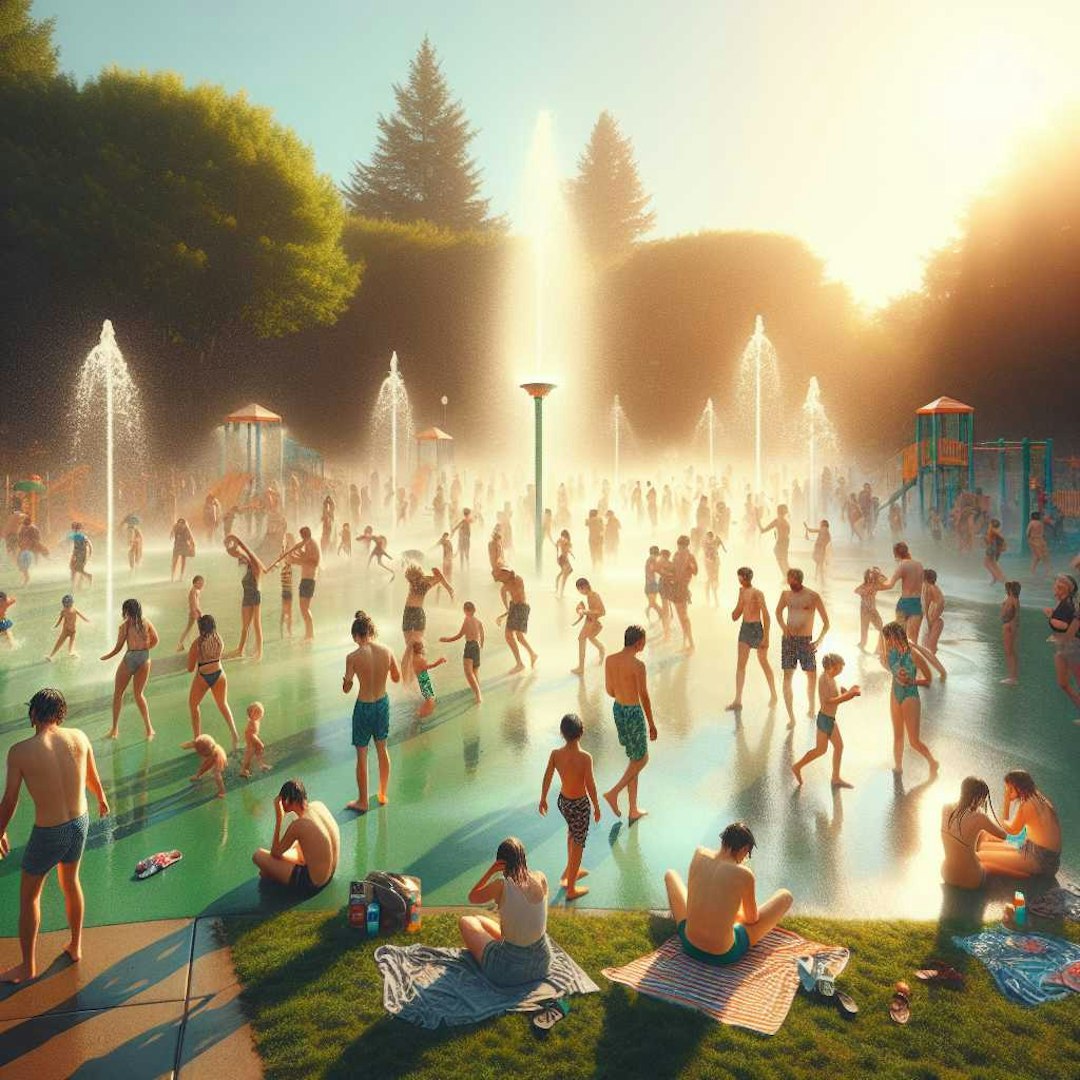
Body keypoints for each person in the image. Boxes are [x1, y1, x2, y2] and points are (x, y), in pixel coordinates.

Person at [0, 689, 109, 983]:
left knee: (29, 897)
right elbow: (91, 776)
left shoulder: (20, 751)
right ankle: (75, 946)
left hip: (49, 831)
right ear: (61, 713)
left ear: (33, 713)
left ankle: (27, 966)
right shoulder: (79, 737)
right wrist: (101, 798)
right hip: (79, 822)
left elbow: (10, 800)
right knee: (71, 881)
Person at [664, 823, 793, 967]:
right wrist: (735, 915)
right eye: (747, 854)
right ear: (744, 849)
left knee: (671, 875)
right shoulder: (744, 874)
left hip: (689, 944)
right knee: (785, 896)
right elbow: (751, 919)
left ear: (723, 841)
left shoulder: (699, 853)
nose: (745, 858)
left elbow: (695, 896)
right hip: (724, 954)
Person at [459, 838, 553, 986]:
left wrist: (490, 872)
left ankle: (501, 949)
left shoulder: (501, 885)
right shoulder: (541, 878)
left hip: (509, 970)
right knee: (480, 919)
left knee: (466, 921)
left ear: (500, 863)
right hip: (542, 963)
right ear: (523, 858)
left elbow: (472, 897)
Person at [539, 713, 601, 900]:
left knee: (571, 834)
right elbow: (590, 784)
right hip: (580, 804)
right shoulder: (585, 758)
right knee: (579, 843)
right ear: (582, 732)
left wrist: (543, 798)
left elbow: (547, 776)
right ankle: (571, 888)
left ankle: (570, 871)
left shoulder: (556, 754)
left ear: (562, 733)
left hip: (564, 802)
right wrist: (597, 806)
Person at [343, 612, 400, 812]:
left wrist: (346, 679)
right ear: (372, 632)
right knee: (382, 749)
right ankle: (383, 793)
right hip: (382, 703)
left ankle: (363, 801)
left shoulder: (353, 657)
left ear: (356, 635)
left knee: (362, 755)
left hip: (364, 706)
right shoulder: (387, 650)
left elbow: (347, 688)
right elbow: (396, 677)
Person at [603, 625, 656, 822]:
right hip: (633, 712)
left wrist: (622, 691)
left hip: (618, 709)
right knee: (642, 759)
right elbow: (644, 696)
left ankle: (633, 809)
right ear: (638, 642)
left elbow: (609, 690)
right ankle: (614, 793)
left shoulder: (610, 660)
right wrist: (651, 723)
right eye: (644, 640)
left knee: (634, 759)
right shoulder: (638, 666)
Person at [252, 779, 340, 894]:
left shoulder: (299, 825)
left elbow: (275, 853)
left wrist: (279, 818)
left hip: (313, 883)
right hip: (329, 874)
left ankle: (274, 873)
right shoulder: (319, 805)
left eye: (282, 800)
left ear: (287, 800)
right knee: (295, 846)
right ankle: (274, 871)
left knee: (258, 856)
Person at [977, 770, 1061, 880]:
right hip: (1037, 851)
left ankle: (1023, 876)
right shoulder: (1038, 798)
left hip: (1041, 861)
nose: (1007, 791)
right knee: (983, 846)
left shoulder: (1028, 806)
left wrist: (1006, 802)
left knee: (980, 856)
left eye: (1010, 789)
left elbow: (1007, 829)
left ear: (1019, 788)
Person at [879, 621, 938, 777]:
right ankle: (898, 767)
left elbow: (929, 679)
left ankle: (932, 762)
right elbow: (887, 663)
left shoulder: (913, 655)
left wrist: (911, 681)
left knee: (913, 741)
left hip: (910, 695)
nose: (888, 642)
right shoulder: (891, 652)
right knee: (898, 735)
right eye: (887, 639)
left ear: (898, 636)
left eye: (890, 638)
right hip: (895, 693)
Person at [791, 653, 859, 788]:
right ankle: (797, 766)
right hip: (824, 719)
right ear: (833, 666)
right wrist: (848, 696)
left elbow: (835, 694)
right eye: (840, 668)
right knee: (820, 750)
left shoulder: (832, 678)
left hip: (830, 719)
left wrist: (846, 692)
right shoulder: (823, 679)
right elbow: (828, 701)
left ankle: (835, 778)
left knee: (839, 747)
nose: (841, 671)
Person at [775, 568, 830, 727]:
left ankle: (812, 706)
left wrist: (818, 642)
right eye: (789, 580)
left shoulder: (813, 596)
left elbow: (826, 623)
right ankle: (791, 717)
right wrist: (783, 627)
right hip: (789, 640)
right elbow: (778, 612)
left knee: (811, 676)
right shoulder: (786, 595)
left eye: (793, 581)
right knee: (787, 678)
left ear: (800, 580)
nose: (790, 583)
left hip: (806, 641)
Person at [100, 599, 158, 740]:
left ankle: (114, 730)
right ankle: (149, 729)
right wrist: (144, 650)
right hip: (144, 658)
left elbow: (118, 647)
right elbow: (156, 640)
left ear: (126, 610)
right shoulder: (146, 622)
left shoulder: (124, 626)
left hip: (130, 658)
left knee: (118, 694)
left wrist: (107, 656)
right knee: (139, 695)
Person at [725, 567, 777, 710]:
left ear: (744, 577)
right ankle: (738, 700)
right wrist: (740, 602)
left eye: (740, 577)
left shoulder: (757, 593)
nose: (739, 579)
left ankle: (774, 694)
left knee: (763, 662)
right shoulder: (741, 592)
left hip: (756, 628)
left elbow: (766, 615)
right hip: (745, 628)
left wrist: (766, 637)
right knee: (740, 665)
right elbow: (735, 616)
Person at [941, 777, 1006, 889]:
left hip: (947, 875)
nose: (983, 802)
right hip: (971, 880)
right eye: (983, 799)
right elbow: (1003, 836)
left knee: (977, 838)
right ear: (977, 797)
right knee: (998, 868)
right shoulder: (980, 818)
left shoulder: (945, 808)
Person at [186, 614, 240, 748]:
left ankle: (198, 739)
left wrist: (191, 655)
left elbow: (190, 668)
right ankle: (234, 734)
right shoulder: (218, 639)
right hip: (219, 674)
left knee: (193, 705)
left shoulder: (197, 643)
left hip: (203, 676)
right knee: (223, 704)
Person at [401, 563, 452, 681]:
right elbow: (438, 576)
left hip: (409, 613)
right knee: (416, 650)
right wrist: (449, 588)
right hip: (415, 613)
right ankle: (418, 685)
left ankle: (408, 683)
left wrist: (449, 588)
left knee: (410, 649)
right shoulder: (425, 583)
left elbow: (437, 576)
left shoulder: (415, 584)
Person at [1044, 574, 1080, 714]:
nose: (1055, 588)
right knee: (1063, 684)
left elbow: (1065, 626)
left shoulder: (1069, 603)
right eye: (1056, 585)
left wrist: (1050, 617)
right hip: (1064, 647)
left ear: (1065, 589)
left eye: (1058, 586)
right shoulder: (1066, 602)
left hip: (1072, 647)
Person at [493, 566, 538, 673]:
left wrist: (506, 576)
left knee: (512, 636)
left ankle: (520, 663)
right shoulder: (504, 589)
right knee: (518, 636)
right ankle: (531, 655)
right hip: (517, 608)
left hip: (522, 607)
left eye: (501, 576)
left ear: (506, 573)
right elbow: (509, 607)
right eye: (499, 578)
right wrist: (502, 616)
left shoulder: (517, 579)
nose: (500, 578)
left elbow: (519, 597)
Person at [440, 601, 485, 705]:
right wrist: (481, 645)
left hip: (469, 646)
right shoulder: (479, 621)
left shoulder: (467, 620)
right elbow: (482, 634)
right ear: (474, 610)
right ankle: (477, 691)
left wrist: (446, 639)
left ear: (465, 611)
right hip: (477, 647)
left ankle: (478, 695)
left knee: (468, 672)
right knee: (475, 671)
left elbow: (459, 635)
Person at [883, 541, 925, 643]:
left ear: (896, 554)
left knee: (900, 638)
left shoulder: (902, 565)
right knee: (913, 641)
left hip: (905, 603)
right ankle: (912, 658)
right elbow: (924, 586)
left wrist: (875, 586)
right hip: (918, 604)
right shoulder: (919, 565)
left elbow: (890, 585)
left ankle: (898, 658)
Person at [287, 526, 320, 641]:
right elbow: (305, 560)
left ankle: (310, 635)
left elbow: (314, 561)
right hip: (306, 579)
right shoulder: (308, 544)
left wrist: (296, 559)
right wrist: (293, 557)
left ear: (304, 535)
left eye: (302, 536)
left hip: (309, 580)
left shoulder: (312, 544)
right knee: (303, 608)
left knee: (305, 608)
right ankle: (308, 633)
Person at [571, 577, 606, 675]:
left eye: (580, 589)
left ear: (585, 586)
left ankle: (581, 668)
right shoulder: (589, 596)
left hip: (592, 621)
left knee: (581, 639)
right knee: (589, 637)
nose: (580, 591)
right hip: (590, 620)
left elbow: (602, 612)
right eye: (579, 589)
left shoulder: (594, 596)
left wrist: (585, 611)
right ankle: (601, 649)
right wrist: (581, 609)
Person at [671, 535, 699, 651]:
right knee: (681, 617)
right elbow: (672, 570)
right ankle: (686, 642)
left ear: (686, 546)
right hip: (675, 588)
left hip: (682, 589)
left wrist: (690, 566)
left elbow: (696, 571)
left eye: (682, 546)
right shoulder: (676, 555)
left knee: (684, 616)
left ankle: (691, 643)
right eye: (679, 546)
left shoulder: (690, 556)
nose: (680, 548)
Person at [181, 734, 228, 798]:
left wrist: (222, 791)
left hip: (218, 756)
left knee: (216, 773)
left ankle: (222, 790)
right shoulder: (200, 743)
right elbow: (195, 743)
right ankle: (198, 775)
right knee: (205, 765)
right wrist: (186, 746)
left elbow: (217, 776)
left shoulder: (219, 757)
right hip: (212, 752)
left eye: (205, 754)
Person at [410, 639, 446, 719]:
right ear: (420, 648)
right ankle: (419, 715)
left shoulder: (414, 657)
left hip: (421, 679)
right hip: (423, 680)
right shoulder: (421, 659)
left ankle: (422, 712)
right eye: (422, 647)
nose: (424, 648)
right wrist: (439, 662)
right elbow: (429, 666)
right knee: (429, 700)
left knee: (430, 697)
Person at [46, 594, 89, 661]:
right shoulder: (63, 612)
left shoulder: (74, 610)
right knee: (59, 643)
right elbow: (59, 620)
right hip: (65, 631)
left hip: (73, 632)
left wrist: (87, 620)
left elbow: (82, 616)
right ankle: (51, 656)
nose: (66, 607)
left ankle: (72, 653)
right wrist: (55, 626)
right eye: (65, 605)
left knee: (70, 646)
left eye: (68, 605)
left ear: (71, 604)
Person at [855, 567, 886, 652]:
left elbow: (884, 579)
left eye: (872, 576)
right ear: (866, 577)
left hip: (872, 610)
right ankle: (862, 649)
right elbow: (856, 591)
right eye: (869, 576)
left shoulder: (875, 585)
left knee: (881, 628)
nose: (871, 578)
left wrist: (877, 572)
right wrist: (866, 591)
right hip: (865, 610)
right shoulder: (864, 586)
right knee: (864, 631)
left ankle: (877, 649)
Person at [239, 701, 270, 777]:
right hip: (251, 742)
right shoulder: (252, 723)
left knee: (258, 752)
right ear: (252, 715)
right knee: (248, 757)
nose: (261, 714)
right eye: (258, 712)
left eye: (261, 712)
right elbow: (251, 734)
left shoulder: (256, 721)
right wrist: (259, 742)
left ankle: (261, 765)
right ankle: (243, 770)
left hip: (254, 741)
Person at [760, 504, 791, 576]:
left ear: (778, 511)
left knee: (782, 561)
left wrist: (757, 520)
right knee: (784, 561)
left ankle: (787, 577)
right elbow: (787, 532)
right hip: (785, 542)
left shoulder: (777, 521)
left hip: (781, 543)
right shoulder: (785, 522)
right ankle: (788, 577)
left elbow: (763, 530)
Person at [176, 574, 205, 652]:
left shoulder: (195, 591)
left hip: (194, 612)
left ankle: (181, 645)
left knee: (190, 629)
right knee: (197, 630)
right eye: (200, 583)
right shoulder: (194, 591)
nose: (202, 585)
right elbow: (195, 604)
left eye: (202, 584)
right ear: (195, 583)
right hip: (194, 613)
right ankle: (183, 645)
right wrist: (199, 613)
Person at [1000, 581, 1021, 685]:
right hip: (1007, 624)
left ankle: (1012, 677)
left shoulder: (1014, 600)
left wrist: (1013, 629)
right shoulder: (1010, 598)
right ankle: (1012, 676)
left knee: (1010, 652)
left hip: (1009, 626)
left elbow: (1016, 616)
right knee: (1009, 652)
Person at [921, 568, 945, 655]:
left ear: (925, 579)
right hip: (935, 620)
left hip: (932, 620)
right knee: (928, 648)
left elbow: (939, 604)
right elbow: (941, 604)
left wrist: (930, 622)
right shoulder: (933, 588)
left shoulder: (929, 588)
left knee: (927, 648)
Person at [279, 532, 295, 639]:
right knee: (288, 612)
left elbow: (284, 555)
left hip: (286, 589)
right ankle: (288, 632)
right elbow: (285, 555)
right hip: (287, 590)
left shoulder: (284, 565)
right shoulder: (286, 564)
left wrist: (285, 545)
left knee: (285, 611)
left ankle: (284, 631)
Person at [804, 519, 830, 584]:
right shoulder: (826, 531)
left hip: (818, 547)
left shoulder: (823, 529)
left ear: (823, 525)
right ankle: (820, 578)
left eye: (821, 524)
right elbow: (828, 540)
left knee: (818, 563)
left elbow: (811, 530)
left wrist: (807, 528)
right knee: (819, 563)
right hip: (820, 547)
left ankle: (819, 578)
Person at [170, 517, 195, 582]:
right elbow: (172, 533)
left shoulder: (187, 529)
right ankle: (172, 576)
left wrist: (192, 547)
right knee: (174, 561)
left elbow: (191, 538)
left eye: (182, 523)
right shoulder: (175, 527)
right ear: (178, 523)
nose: (180, 524)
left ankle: (181, 576)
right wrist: (171, 534)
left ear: (184, 524)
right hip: (177, 545)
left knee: (183, 561)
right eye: (179, 523)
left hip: (184, 546)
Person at [68, 522, 93, 589]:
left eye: (75, 527)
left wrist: (76, 555)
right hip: (80, 554)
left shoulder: (79, 536)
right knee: (74, 567)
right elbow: (77, 546)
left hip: (81, 554)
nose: (73, 529)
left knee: (78, 569)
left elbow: (86, 545)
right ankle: (78, 583)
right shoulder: (77, 535)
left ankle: (88, 577)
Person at [983, 519, 1007, 584]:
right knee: (993, 563)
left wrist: (1004, 544)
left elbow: (1001, 536)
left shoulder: (992, 530)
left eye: (990, 523)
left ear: (992, 524)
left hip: (991, 547)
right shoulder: (991, 530)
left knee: (986, 564)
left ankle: (996, 576)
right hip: (992, 547)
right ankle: (1001, 577)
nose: (989, 524)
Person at [1026, 512, 1050, 578]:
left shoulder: (1032, 523)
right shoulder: (1040, 523)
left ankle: (1033, 570)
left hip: (1034, 540)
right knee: (1042, 555)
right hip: (1041, 540)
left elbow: (1027, 532)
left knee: (1038, 556)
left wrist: (1029, 540)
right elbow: (1043, 533)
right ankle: (1046, 569)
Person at [643, 545, 662, 622]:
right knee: (653, 603)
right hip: (651, 584)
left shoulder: (650, 559)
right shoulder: (652, 560)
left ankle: (661, 615)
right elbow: (653, 569)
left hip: (650, 584)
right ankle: (662, 615)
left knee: (652, 603)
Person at [554, 529, 573, 597]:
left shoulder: (562, 540)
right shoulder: (564, 540)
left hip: (562, 559)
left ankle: (558, 588)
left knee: (565, 573)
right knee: (564, 576)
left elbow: (558, 546)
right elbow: (564, 547)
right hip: (563, 559)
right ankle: (560, 592)